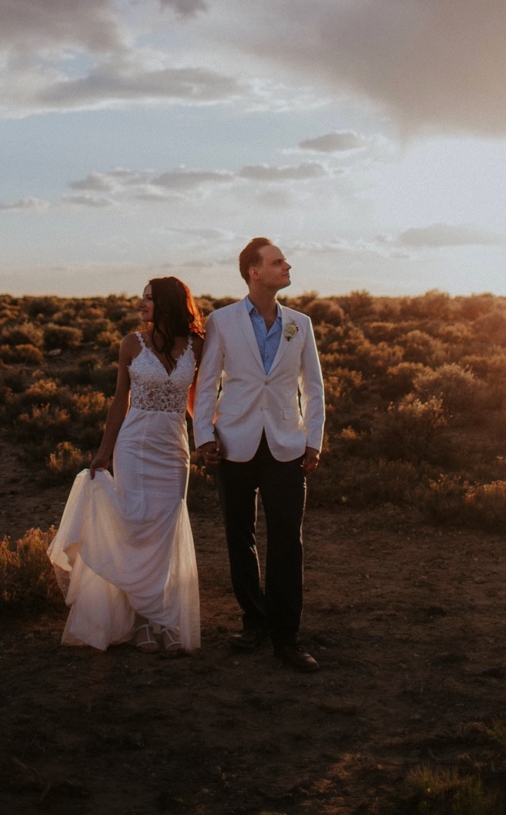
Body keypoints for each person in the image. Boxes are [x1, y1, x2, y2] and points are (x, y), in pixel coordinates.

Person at [48, 276, 204, 655]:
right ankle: (138, 618)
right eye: (142, 298)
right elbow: (120, 401)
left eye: (149, 299)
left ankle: (160, 619)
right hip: (134, 446)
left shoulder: (197, 345)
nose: (140, 304)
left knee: (165, 529)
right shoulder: (131, 345)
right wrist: (104, 451)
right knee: (135, 525)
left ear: (167, 303)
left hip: (173, 448)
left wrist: (211, 438)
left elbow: (198, 401)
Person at [193, 238, 325, 672]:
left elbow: (314, 387)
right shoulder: (222, 321)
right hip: (234, 443)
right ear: (254, 271)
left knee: (289, 541)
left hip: (287, 445)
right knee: (239, 536)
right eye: (277, 262)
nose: (287, 266)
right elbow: (208, 379)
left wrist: (314, 440)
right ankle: (254, 621)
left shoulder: (299, 324)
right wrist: (204, 436)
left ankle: (286, 636)